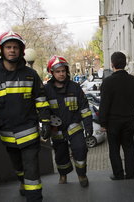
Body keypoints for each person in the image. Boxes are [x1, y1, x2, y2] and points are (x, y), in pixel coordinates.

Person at [0, 31, 50, 202]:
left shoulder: (31, 75)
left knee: (31, 169)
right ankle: (23, 182)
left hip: (29, 131)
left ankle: (34, 197)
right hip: (7, 134)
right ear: (1, 50)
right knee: (18, 167)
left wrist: (45, 121)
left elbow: (41, 100)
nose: (12, 50)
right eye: (8, 47)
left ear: (21, 50)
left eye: (15, 47)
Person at [43, 55, 93, 187]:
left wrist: (88, 126)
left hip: (74, 126)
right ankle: (63, 175)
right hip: (56, 129)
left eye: (63, 71)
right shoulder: (46, 90)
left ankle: (81, 174)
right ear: (52, 73)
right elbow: (42, 109)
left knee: (80, 149)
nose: (61, 74)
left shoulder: (75, 87)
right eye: (58, 71)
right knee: (60, 155)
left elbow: (84, 108)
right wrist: (45, 125)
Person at [99, 51, 134, 180]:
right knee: (129, 148)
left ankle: (118, 174)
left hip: (113, 122)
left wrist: (103, 123)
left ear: (112, 64)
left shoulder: (107, 82)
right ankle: (131, 175)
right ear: (125, 63)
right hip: (129, 120)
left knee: (114, 149)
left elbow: (104, 104)